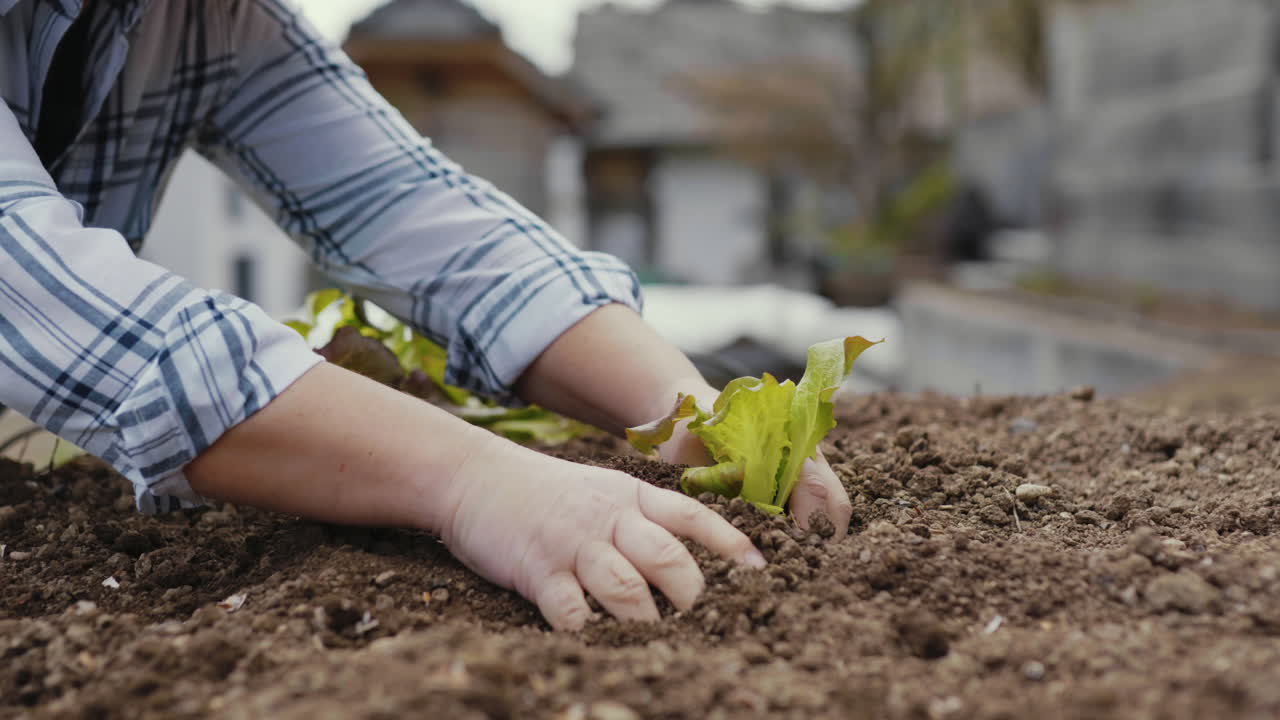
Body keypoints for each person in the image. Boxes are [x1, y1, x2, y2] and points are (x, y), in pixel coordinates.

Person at [0, 0, 852, 630]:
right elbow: (85, 318)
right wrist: (477, 480)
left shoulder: (205, 16)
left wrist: (684, 409)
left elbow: (417, 215)